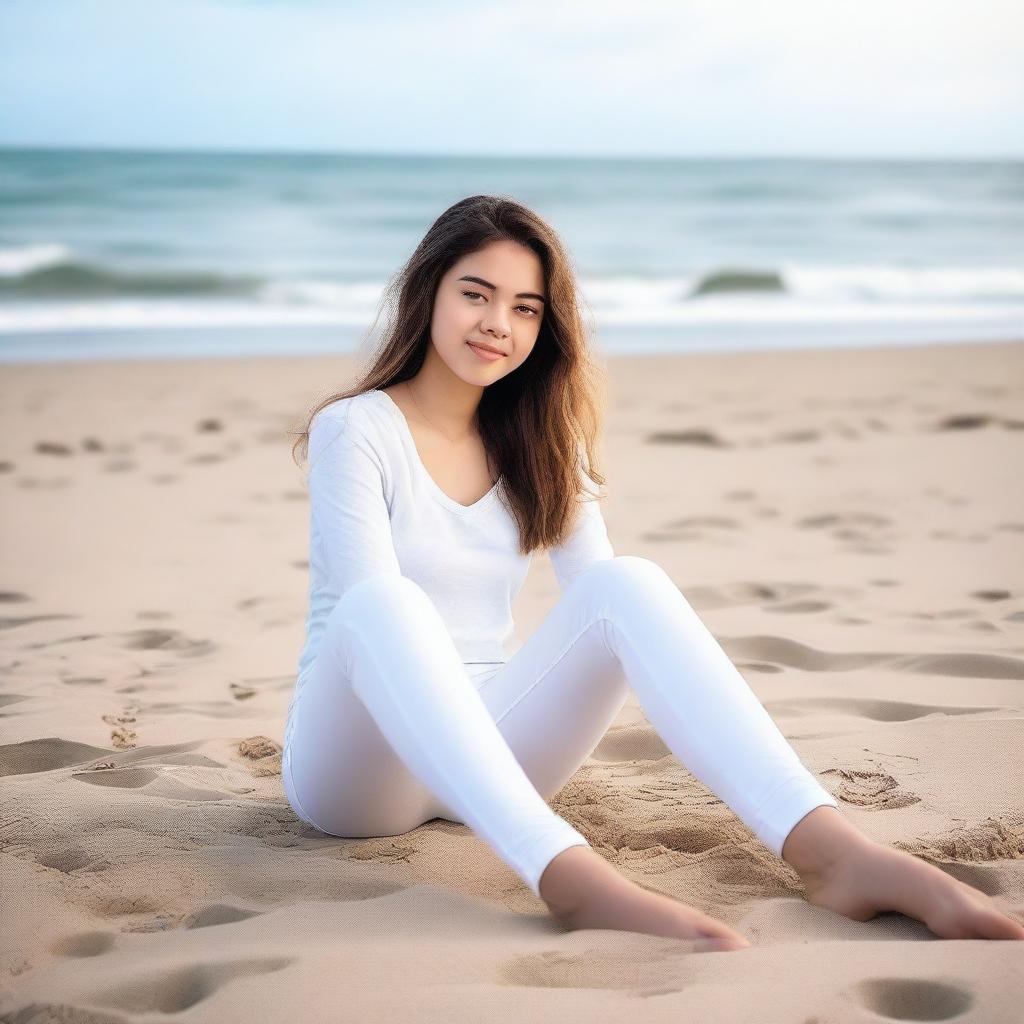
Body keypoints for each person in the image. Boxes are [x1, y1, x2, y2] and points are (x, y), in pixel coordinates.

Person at [283, 195, 1024, 951]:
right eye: (475, 293)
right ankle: (567, 878)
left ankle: (832, 851)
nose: (497, 323)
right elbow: (367, 625)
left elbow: (608, 615)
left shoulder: (541, 442)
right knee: (387, 604)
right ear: (428, 291)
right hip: (358, 768)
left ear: (546, 327)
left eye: (526, 307)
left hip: (493, 746)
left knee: (626, 583)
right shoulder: (358, 427)